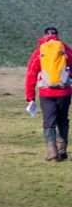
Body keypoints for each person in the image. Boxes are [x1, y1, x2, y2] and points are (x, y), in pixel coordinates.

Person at [25, 26, 72, 161]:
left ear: (44, 35)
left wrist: (30, 97)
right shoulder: (65, 49)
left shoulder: (39, 51)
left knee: (49, 121)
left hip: (46, 92)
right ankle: (62, 149)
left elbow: (31, 74)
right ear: (57, 35)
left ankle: (52, 151)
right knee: (63, 120)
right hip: (64, 91)